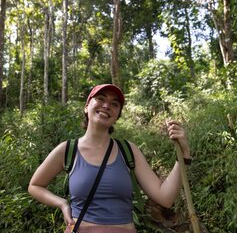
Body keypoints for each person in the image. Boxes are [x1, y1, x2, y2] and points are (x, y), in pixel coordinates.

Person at [28, 84, 192, 233]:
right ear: (87, 107)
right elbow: (35, 185)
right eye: (100, 99)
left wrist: (183, 155)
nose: (106, 106)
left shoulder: (128, 150)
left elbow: (165, 198)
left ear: (117, 116)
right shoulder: (67, 150)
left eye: (114, 104)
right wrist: (63, 204)